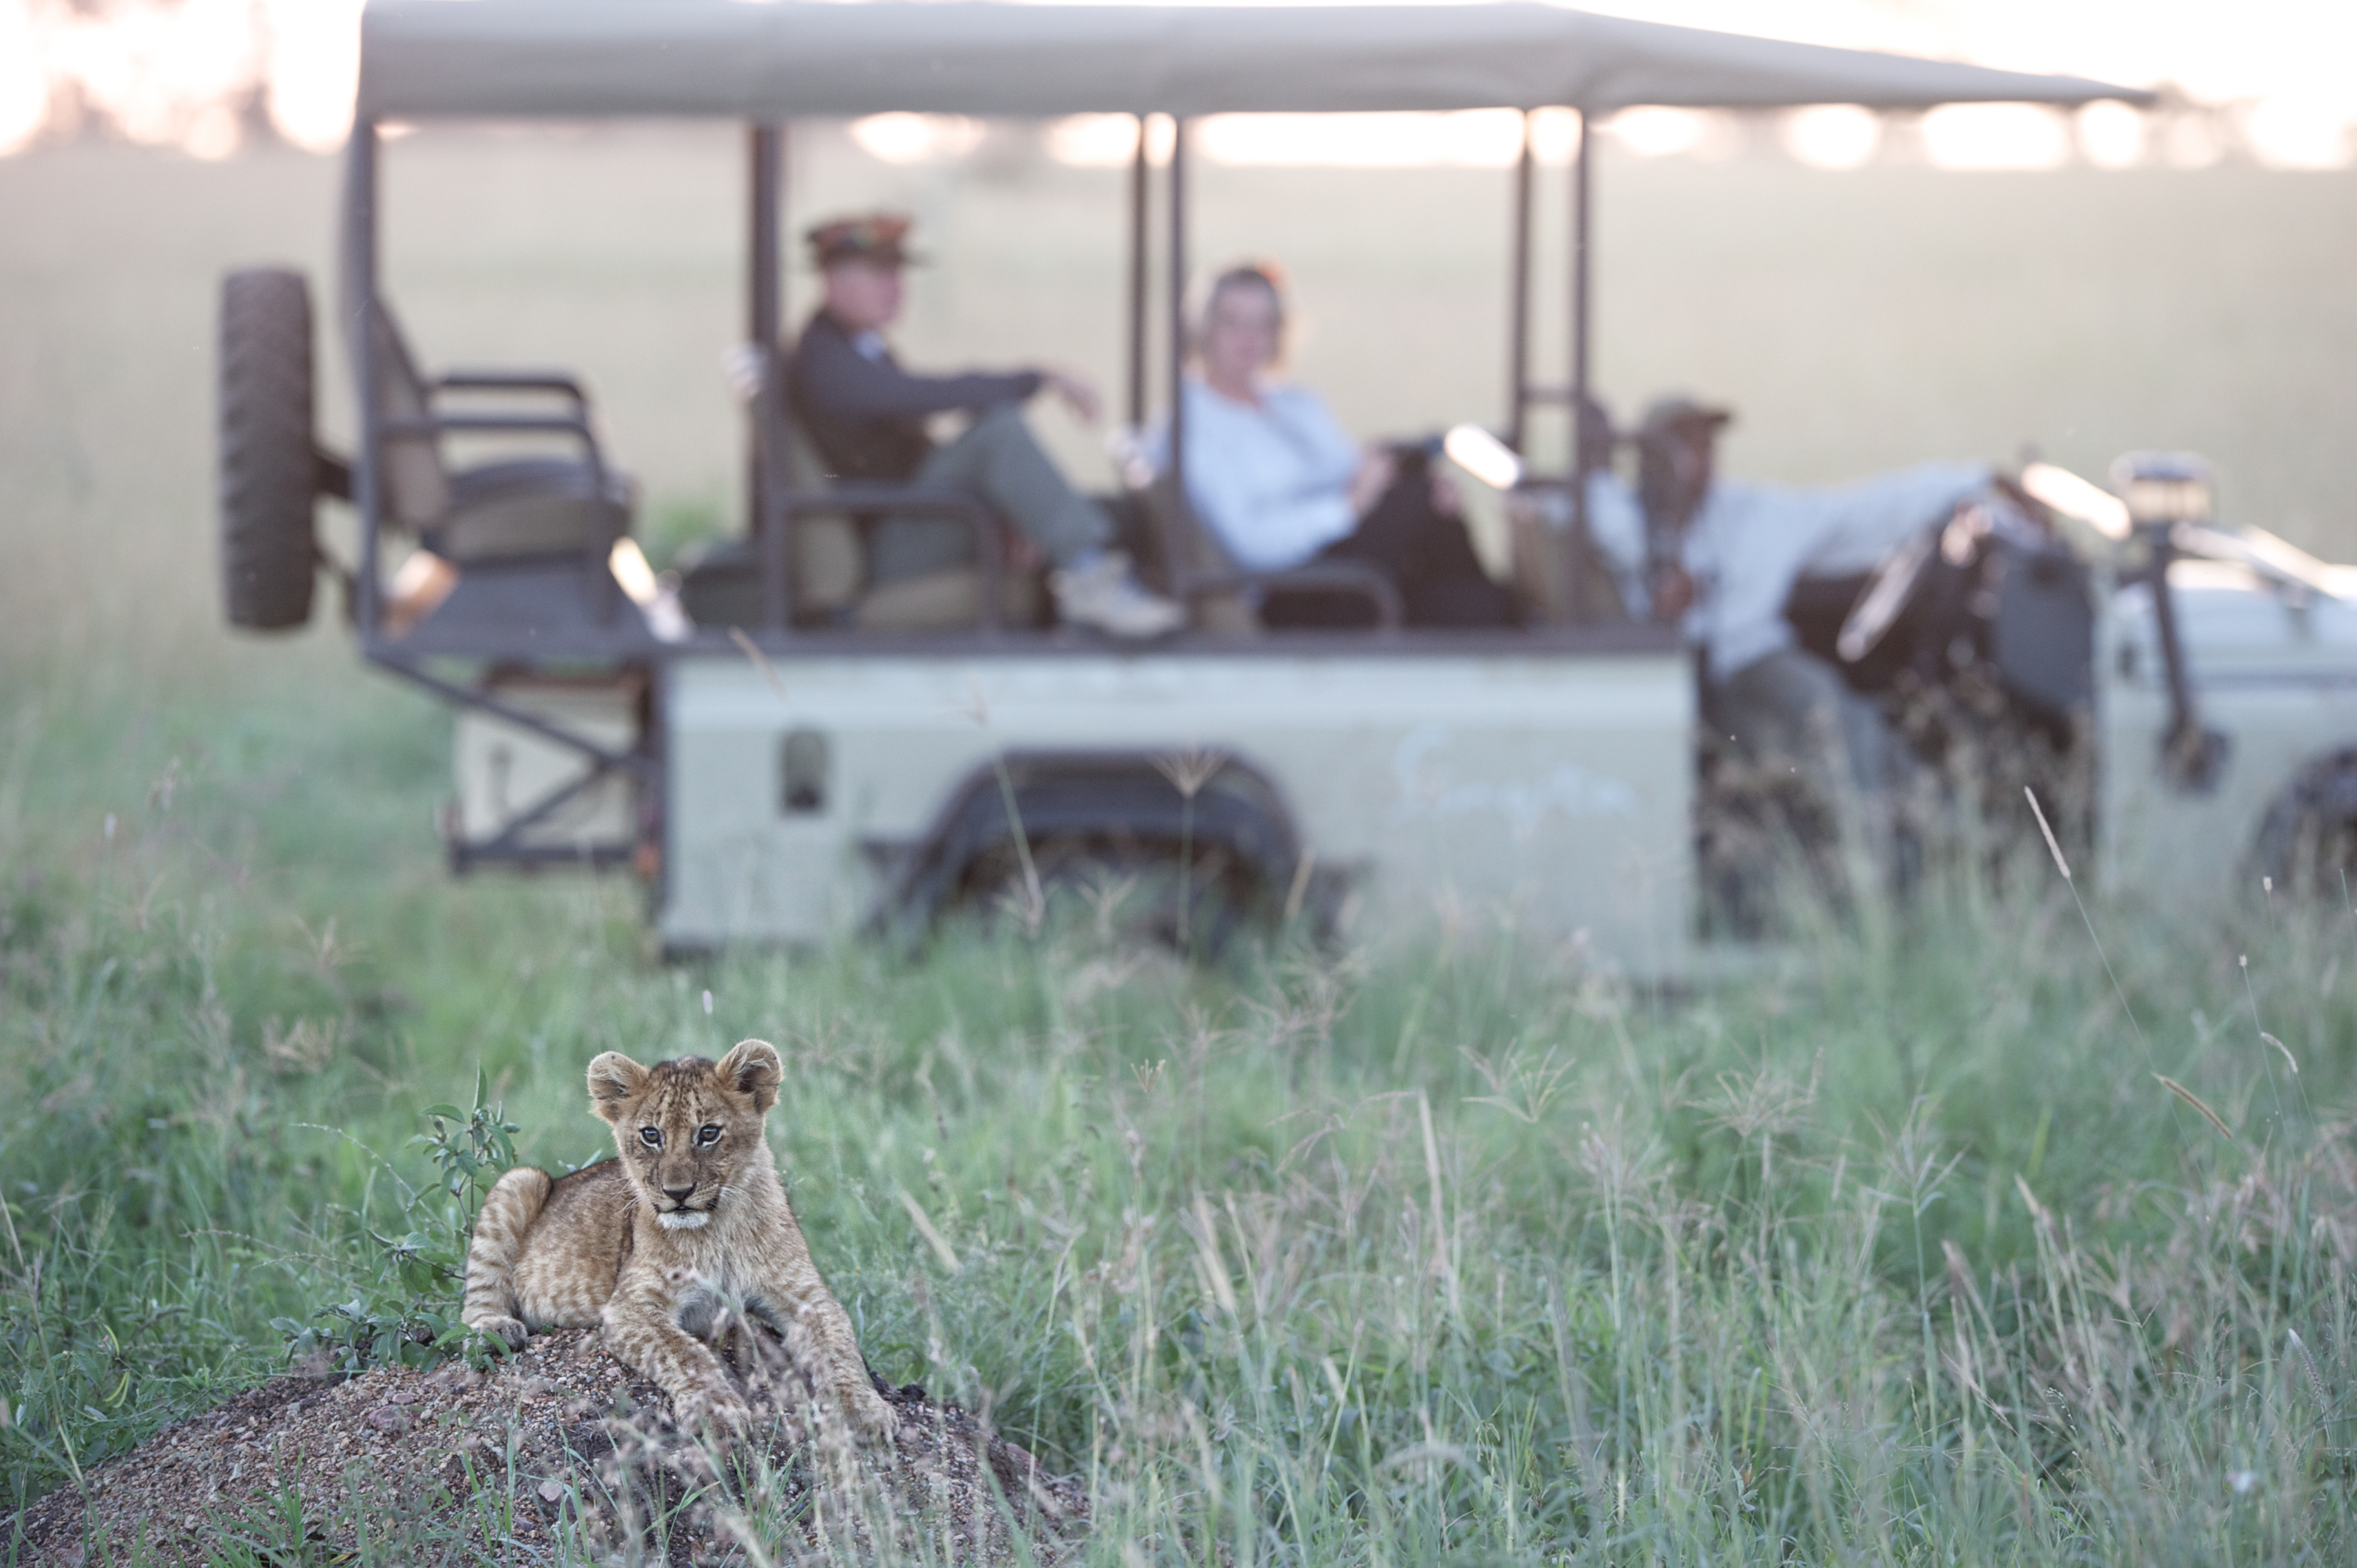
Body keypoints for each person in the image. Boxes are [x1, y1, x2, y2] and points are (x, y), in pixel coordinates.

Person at [786, 213, 1182, 638]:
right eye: (879, 272)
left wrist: (1005, 505)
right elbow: (923, 396)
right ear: (833, 279)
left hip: (910, 519)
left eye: (899, 272)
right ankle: (1092, 578)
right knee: (998, 433)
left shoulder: (858, 348)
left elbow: (914, 441)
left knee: (1109, 511)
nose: (896, 287)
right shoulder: (826, 362)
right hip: (887, 544)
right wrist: (1038, 379)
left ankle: (1135, 585)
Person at [1639, 394, 1993, 856]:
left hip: (1748, 663)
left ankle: (1938, 840)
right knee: (1822, 729)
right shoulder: (1619, 521)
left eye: (1705, 445)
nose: (1698, 460)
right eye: (1682, 447)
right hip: (1671, 677)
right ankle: (1898, 852)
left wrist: (1975, 483)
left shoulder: (1749, 515)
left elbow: (1860, 512)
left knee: (1839, 718)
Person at [1152, 262, 1512, 629]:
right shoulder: (1193, 426)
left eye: (1264, 324)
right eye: (1232, 322)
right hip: (1289, 589)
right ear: (1203, 328)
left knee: (1431, 500)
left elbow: (1347, 471)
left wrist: (1390, 476)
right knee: (1417, 503)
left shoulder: (1294, 404)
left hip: (1337, 563)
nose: (1249, 338)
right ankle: (1505, 627)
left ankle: (1496, 620)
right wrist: (1348, 508)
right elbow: (1253, 546)